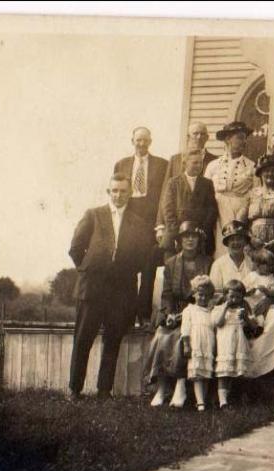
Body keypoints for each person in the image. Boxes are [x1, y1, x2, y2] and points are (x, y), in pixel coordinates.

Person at [67, 173, 149, 401]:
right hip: (92, 290)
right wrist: (89, 270)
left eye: (123, 191)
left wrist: (123, 273)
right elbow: (75, 249)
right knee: (83, 339)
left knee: (112, 340)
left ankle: (104, 390)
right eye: (114, 190)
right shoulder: (94, 215)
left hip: (121, 293)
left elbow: (142, 258)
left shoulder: (138, 223)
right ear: (108, 192)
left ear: (129, 193)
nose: (118, 195)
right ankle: (75, 389)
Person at [209, 221, 274, 389]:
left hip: (259, 308)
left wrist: (269, 300)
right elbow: (214, 295)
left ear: (245, 241)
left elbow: (269, 284)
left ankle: (271, 369)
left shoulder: (254, 261)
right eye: (231, 239)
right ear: (226, 242)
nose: (236, 243)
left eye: (239, 239)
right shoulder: (218, 264)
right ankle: (239, 378)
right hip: (230, 310)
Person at [143, 221, 213, 407]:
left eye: (194, 236)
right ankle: (162, 387)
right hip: (175, 309)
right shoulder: (171, 263)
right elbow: (166, 295)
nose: (190, 240)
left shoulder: (207, 262)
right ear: (179, 240)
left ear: (199, 240)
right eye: (185, 236)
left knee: (185, 335)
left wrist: (188, 313)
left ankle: (181, 385)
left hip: (198, 309)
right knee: (163, 334)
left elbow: (208, 292)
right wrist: (168, 314)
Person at [113, 127, 170, 325]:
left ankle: (143, 315)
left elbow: (164, 197)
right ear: (132, 141)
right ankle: (126, 315)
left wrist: (159, 225)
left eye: (145, 140)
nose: (142, 144)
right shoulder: (121, 164)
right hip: (129, 221)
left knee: (148, 268)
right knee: (127, 267)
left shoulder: (162, 165)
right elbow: (116, 197)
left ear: (150, 141)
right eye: (138, 140)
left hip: (149, 222)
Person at [205, 121, 258, 257]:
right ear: (228, 139)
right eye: (240, 137)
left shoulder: (252, 166)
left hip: (240, 212)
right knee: (219, 249)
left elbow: (255, 194)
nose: (244, 141)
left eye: (245, 138)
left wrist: (244, 213)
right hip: (217, 212)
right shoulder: (213, 165)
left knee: (239, 248)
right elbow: (205, 193)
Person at [157, 149, 218, 256]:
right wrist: (178, 234)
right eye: (195, 163)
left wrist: (202, 231)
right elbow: (168, 210)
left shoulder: (207, 184)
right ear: (185, 164)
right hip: (176, 235)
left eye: (201, 163)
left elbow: (212, 209)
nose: (199, 166)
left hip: (200, 236)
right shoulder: (173, 183)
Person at [211, 279, 254, 408]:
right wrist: (225, 307)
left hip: (240, 345)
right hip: (226, 346)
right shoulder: (219, 309)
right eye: (231, 296)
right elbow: (218, 323)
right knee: (224, 372)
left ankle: (238, 396)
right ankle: (222, 401)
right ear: (225, 296)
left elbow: (252, 327)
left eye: (237, 297)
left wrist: (245, 318)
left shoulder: (244, 310)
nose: (234, 300)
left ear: (242, 297)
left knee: (240, 371)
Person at [181, 275, 217, 411]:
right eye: (200, 295)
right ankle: (200, 402)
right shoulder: (189, 310)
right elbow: (185, 329)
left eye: (206, 295)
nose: (203, 298)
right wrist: (186, 344)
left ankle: (204, 400)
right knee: (197, 374)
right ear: (194, 294)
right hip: (196, 343)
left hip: (208, 343)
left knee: (206, 372)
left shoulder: (211, 311)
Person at [243, 248, 274, 329]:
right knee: (247, 311)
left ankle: (259, 328)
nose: (269, 268)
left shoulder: (270, 277)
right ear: (258, 265)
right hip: (251, 302)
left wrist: (267, 291)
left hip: (264, 304)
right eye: (266, 265)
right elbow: (242, 289)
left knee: (265, 315)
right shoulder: (251, 275)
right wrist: (249, 291)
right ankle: (251, 324)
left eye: (271, 265)